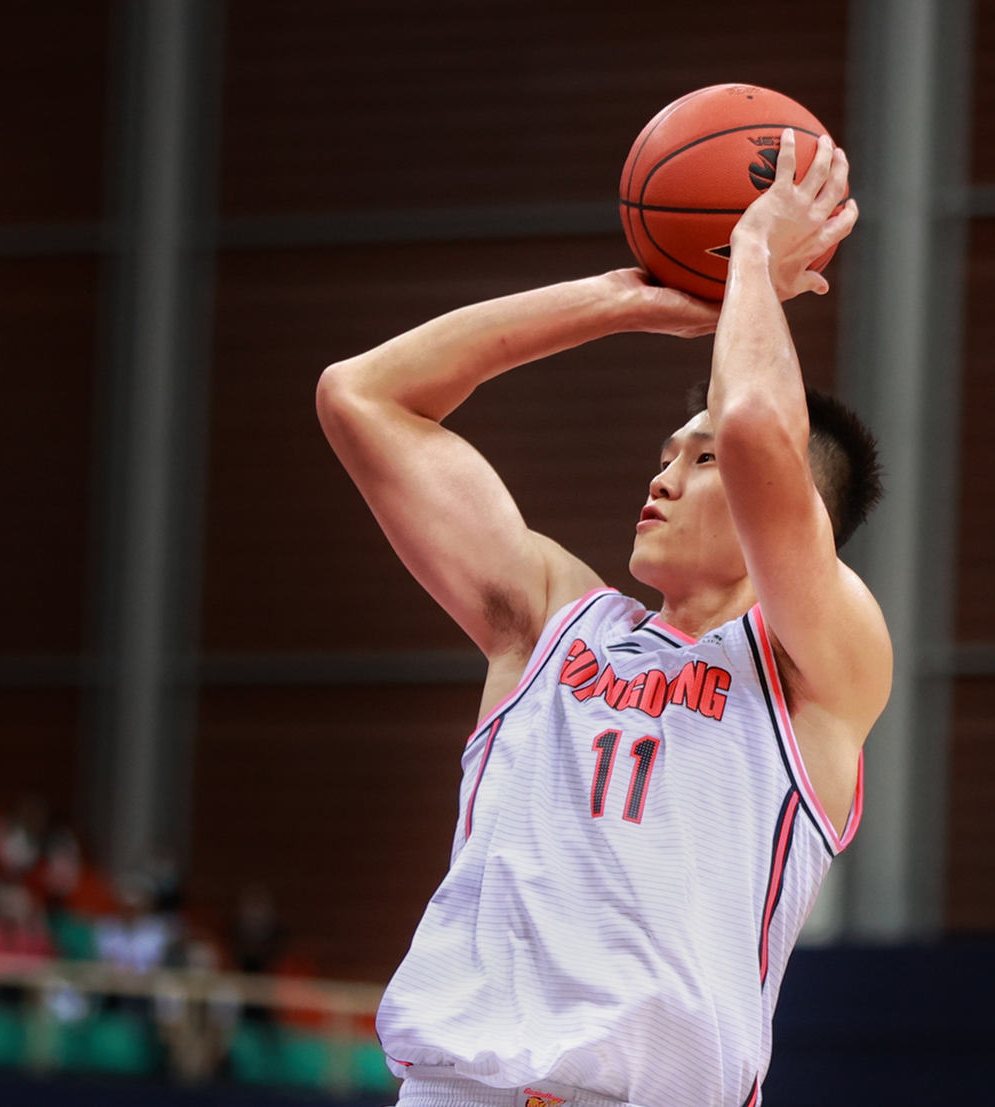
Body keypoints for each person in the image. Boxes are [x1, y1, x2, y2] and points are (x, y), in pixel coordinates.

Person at [317, 130, 883, 1107]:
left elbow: (754, 430)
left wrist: (748, 254)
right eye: (665, 454)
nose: (660, 477)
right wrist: (618, 303)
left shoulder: (814, 664)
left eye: (694, 460)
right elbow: (363, 397)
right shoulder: (550, 622)